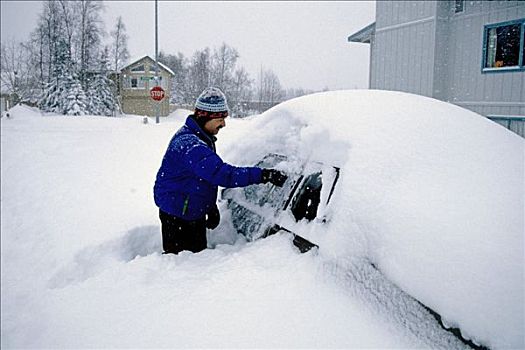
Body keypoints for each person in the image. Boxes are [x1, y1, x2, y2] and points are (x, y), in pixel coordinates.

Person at [154, 87, 287, 254]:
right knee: (183, 266)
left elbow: (203, 178)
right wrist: (264, 174)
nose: (224, 124)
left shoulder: (200, 137)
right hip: (179, 215)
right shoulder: (191, 145)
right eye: (220, 118)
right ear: (205, 116)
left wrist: (208, 206)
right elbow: (223, 175)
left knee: (194, 259)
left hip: (188, 208)